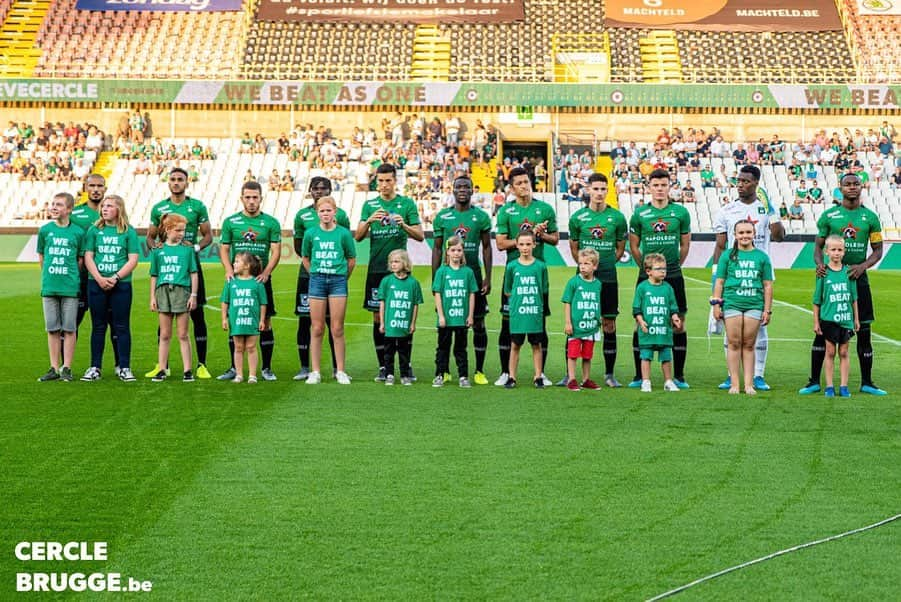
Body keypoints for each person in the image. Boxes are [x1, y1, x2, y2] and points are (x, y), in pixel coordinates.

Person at [800, 173, 886, 395]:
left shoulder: (870, 217)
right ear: (840, 188)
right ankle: (814, 381)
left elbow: (878, 251)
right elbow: (818, 246)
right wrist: (820, 265)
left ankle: (867, 382)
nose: (852, 188)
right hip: (831, 278)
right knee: (823, 329)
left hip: (858, 278)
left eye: (855, 184)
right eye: (847, 184)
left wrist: (862, 267)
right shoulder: (829, 216)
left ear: (861, 186)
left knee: (864, 328)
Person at [711, 165, 784, 390]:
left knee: (759, 325)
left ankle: (758, 375)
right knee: (731, 323)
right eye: (739, 181)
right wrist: (716, 278)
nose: (740, 185)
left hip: (760, 273)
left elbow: (779, 236)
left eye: (745, 181)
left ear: (756, 183)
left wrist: (772, 211)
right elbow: (720, 246)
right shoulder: (727, 210)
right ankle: (731, 376)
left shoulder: (766, 209)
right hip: (733, 273)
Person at [355, 163, 423, 381]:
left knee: (402, 315)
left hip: (400, 269)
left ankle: (406, 364)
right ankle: (384, 366)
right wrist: (368, 221)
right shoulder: (369, 205)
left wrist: (404, 225)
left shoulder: (406, 204)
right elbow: (358, 237)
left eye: (388, 180)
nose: (384, 185)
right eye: (380, 181)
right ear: (376, 182)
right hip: (376, 268)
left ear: (395, 181)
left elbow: (420, 235)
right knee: (378, 317)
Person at [494, 166, 559, 386]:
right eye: (519, 183)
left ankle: (540, 373)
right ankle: (506, 372)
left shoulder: (545, 209)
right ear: (511, 189)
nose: (524, 186)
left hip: (537, 276)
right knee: (507, 324)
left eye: (526, 181)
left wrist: (541, 234)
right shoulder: (506, 211)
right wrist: (527, 237)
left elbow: (555, 239)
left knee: (540, 324)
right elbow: (501, 243)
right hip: (514, 274)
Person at [146, 167, 213, 378]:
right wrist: (156, 247)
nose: (176, 182)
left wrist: (194, 248)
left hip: (188, 263)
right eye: (173, 179)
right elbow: (150, 236)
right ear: (168, 182)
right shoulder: (159, 208)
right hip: (168, 269)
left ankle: (200, 364)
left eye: (180, 179)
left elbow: (208, 235)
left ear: (187, 182)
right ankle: (162, 365)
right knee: (164, 318)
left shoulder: (197, 206)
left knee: (197, 313)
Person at [628, 168, 691, 388]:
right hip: (646, 277)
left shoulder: (680, 213)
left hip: (673, 274)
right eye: (655, 185)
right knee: (641, 323)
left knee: (678, 324)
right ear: (649, 187)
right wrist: (647, 268)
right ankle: (639, 376)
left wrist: (672, 267)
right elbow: (634, 246)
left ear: (669, 186)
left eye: (664, 185)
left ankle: (678, 376)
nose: (660, 189)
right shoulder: (639, 214)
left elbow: (685, 245)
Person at [430, 175, 492, 384]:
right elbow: (437, 249)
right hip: (449, 282)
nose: (463, 190)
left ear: (472, 191)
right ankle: (444, 370)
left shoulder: (481, 217)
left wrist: (487, 277)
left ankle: (479, 371)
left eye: (466, 186)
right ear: (453, 190)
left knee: (478, 324)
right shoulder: (443, 217)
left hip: (472, 277)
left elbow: (486, 247)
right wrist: (435, 281)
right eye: (459, 187)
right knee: (445, 325)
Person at [567, 172, 627, 387]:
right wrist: (586, 269)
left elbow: (620, 248)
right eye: (596, 189)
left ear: (607, 191)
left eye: (603, 189)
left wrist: (606, 263)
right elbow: (574, 249)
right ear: (588, 190)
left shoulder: (618, 218)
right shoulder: (577, 218)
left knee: (609, 323)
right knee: (577, 323)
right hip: (583, 280)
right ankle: (571, 374)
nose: (599, 193)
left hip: (609, 278)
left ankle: (609, 374)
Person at [217, 181, 282, 381]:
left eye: (255, 197)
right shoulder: (231, 222)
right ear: (242, 198)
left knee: (266, 321)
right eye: (248, 197)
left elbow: (276, 250)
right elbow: (225, 249)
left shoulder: (271, 222)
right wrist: (229, 270)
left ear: (261, 198)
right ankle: (234, 369)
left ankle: (266, 368)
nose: (252, 201)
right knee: (237, 319)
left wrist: (267, 272)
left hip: (260, 281)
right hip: (238, 281)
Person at [293, 177, 350, 380]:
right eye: (315, 188)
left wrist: (343, 277)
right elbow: (303, 254)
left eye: (329, 210)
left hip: (337, 281)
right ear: (317, 213)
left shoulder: (342, 229)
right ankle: (311, 370)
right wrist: (314, 273)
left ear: (334, 212)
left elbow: (351, 258)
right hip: (315, 279)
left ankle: (340, 370)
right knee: (314, 326)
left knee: (336, 327)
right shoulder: (308, 227)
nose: (325, 213)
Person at [82, 195, 139, 382]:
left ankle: (124, 367)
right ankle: (95, 367)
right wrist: (99, 278)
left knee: (122, 326)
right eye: (103, 206)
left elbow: (133, 259)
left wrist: (115, 277)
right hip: (96, 284)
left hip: (121, 285)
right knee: (98, 326)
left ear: (119, 209)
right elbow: (88, 256)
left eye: (110, 206)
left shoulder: (128, 232)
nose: (104, 209)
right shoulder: (94, 230)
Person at [712, 221, 774, 395]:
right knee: (733, 343)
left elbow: (768, 285)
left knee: (748, 344)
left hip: (754, 304)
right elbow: (720, 282)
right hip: (732, 303)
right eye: (741, 233)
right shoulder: (727, 256)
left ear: (754, 234)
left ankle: (748, 384)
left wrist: (767, 310)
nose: (745, 236)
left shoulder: (762, 257)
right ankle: (734, 384)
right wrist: (717, 305)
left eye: (748, 232)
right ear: (735, 235)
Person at [70, 174, 119, 367]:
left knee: (113, 323)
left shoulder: (114, 211)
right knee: (73, 323)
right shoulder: (75, 214)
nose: (96, 189)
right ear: (85, 187)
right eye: (92, 185)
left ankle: (119, 365)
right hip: (81, 279)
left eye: (100, 185)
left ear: (105, 189)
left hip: (108, 279)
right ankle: (65, 366)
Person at [36, 192, 83, 382]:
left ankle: (67, 367)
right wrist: (49, 275)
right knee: (52, 328)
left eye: (60, 205)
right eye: (53, 204)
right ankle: (54, 367)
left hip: (70, 287)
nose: (54, 207)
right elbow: (41, 256)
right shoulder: (45, 230)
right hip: (49, 287)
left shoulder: (78, 232)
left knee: (70, 328)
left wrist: (69, 276)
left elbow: (80, 260)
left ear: (69, 209)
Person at [148, 213, 199, 382]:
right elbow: (154, 275)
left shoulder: (188, 250)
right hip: (163, 292)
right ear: (168, 229)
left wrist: (193, 295)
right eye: (178, 230)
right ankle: (162, 369)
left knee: (183, 334)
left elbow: (193, 274)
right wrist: (152, 297)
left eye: (183, 230)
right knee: (164, 334)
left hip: (182, 292)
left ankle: (187, 370)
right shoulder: (158, 251)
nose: (182, 234)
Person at [813, 235, 860, 398]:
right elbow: (817, 300)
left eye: (840, 250)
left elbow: (854, 298)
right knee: (830, 352)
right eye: (833, 250)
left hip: (845, 320)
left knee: (845, 352)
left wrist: (856, 319)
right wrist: (816, 322)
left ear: (844, 252)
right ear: (826, 252)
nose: (836, 253)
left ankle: (844, 386)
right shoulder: (823, 273)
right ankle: (830, 386)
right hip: (828, 320)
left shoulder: (849, 272)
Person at [502, 231, 549, 389]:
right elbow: (508, 289)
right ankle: (512, 377)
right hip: (518, 313)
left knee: (536, 345)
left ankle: (538, 376)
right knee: (515, 344)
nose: (525, 247)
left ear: (534, 245)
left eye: (528, 244)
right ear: (516, 245)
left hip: (534, 311)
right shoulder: (512, 266)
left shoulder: (541, 266)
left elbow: (543, 289)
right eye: (521, 244)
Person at [632, 253, 682, 393]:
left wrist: (675, 317)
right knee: (646, 356)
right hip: (648, 331)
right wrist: (641, 322)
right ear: (648, 271)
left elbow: (673, 307)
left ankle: (668, 381)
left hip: (663, 330)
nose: (663, 271)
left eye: (664, 269)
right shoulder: (642, 288)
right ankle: (646, 381)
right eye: (659, 268)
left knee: (666, 356)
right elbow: (636, 309)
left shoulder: (668, 288)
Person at [432, 236, 477, 388]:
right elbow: (437, 293)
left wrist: (470, 315)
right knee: (443, 348)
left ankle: (463, 376)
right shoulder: (442, 271)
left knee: (461, 349)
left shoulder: (468, 272)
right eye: (453, 250)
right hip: (446, 319)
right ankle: (439, 374)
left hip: (461, 319)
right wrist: (441, 316)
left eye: (459, 250)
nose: (456, 253)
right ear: (447, 252)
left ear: (463, 252)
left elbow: (472, 294)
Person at [220, 252, 268, 384]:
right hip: (236, 321)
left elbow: (263, 303)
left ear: (247, 266)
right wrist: (224, 318)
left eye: (237, 261)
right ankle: (239, 374)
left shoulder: (257, 283)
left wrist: (262, 320)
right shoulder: (231, 282)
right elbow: (225, 301)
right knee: (238, 347)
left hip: (251, 320)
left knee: (252, 347)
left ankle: (252, 375)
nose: (233, 264)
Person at [378, 250, 423, 386]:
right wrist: (382, 322)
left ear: (405, 263)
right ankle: (389, 374)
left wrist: (413, 323)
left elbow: (415, 304)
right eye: (391, 262)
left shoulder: (413, 283)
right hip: (390, 325)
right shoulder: (386, 281)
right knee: (388, 352)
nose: (393, 264)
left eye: (396, 261)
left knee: (404, 351)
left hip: (404, 325)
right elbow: (382, 303)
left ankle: (404, 375)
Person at [561, 248, 603, 392]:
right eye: (580, 264)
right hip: (576, 327)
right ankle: (572, 379)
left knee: (587, 355)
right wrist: (568, 322)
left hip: (591, 326)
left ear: (595, 266)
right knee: (573, 354)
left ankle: (585, 380)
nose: (583, 267)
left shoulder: (598, 284)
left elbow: (597, 303)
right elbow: (567, 302)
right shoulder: (573, 282)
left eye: (587, 263)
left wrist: (599, 319)